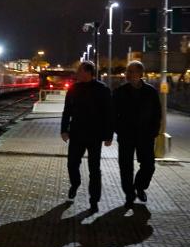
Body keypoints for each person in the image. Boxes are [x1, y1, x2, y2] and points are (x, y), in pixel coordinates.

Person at [60, 61, 113, 212]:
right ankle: (75, 184)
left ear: (88, 72)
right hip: (76, 133)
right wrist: (64, 130)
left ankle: (94, 200)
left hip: (95, 135)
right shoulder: (73, 89)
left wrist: (109, 135)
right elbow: (67, 111)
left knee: (94, 169)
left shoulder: (102, 90)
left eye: (79, 70)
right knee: (72, 164)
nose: (77, 73)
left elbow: (109, 114)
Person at [113, 61, 161, 209]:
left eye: (132, 71)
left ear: (140, 74)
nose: (128, 74)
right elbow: (113, 114)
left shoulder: (151, 92)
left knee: (149, 165)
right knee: (125, 166)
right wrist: (118, 130)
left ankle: (140, 186)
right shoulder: (120, 91)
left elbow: (157, 114)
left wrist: (154, 131)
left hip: (145, 135)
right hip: (126, 135)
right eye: (127, 71)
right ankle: (129, 194)